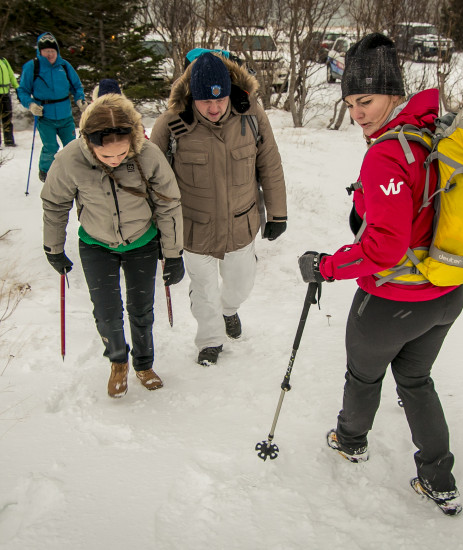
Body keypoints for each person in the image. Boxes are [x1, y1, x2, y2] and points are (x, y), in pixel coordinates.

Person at [297, 33, 463, 516]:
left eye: (366, 100)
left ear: (394, 93)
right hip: (445, 294)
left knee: (363, 375)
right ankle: (438, 478)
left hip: (394, 301)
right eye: (350, 103)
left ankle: (350, 441)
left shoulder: (387, 153)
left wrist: (326, 267)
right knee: (416, 381)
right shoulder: (435, 131)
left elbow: (384, 248)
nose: (358, 114)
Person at [40, 92, 185, 398]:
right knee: (106, 312)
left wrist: (173, 254)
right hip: (97, 245)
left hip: (141, 243)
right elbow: (54, 204)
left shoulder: (148, 155)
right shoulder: (69, 160)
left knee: (141, 310)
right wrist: (53, 248)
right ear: (88, 141)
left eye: (122, 154)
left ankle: (144, 364)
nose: (116, 160)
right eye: (106, 156)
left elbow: (169, 204)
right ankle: (118, 361)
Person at [149, 52, 287, 367]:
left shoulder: (252, 116)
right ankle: (210, 340)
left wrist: (278, 213)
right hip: (194, 227)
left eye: (220, 100)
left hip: (242, 221)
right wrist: (158, 231)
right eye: (204, 102)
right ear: (191, 97)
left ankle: (230, 309)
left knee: (240, 284)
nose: (214, 108)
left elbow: (270, 164)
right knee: (204, 290)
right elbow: (153, 180)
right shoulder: (171, 123)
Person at [17, 32, 87, 182]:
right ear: (40, 52)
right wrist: (30, 104)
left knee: (71, 146)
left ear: (57, 51)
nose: (49, 54)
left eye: (52, 51)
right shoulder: (32, 67)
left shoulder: (64, 66)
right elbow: (22, 90)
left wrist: (80, 99)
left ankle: (73, 172)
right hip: (45, 116)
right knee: (50, 147)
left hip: (65, 115)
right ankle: (45, 171)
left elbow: (76, 86)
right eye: (46, 51)